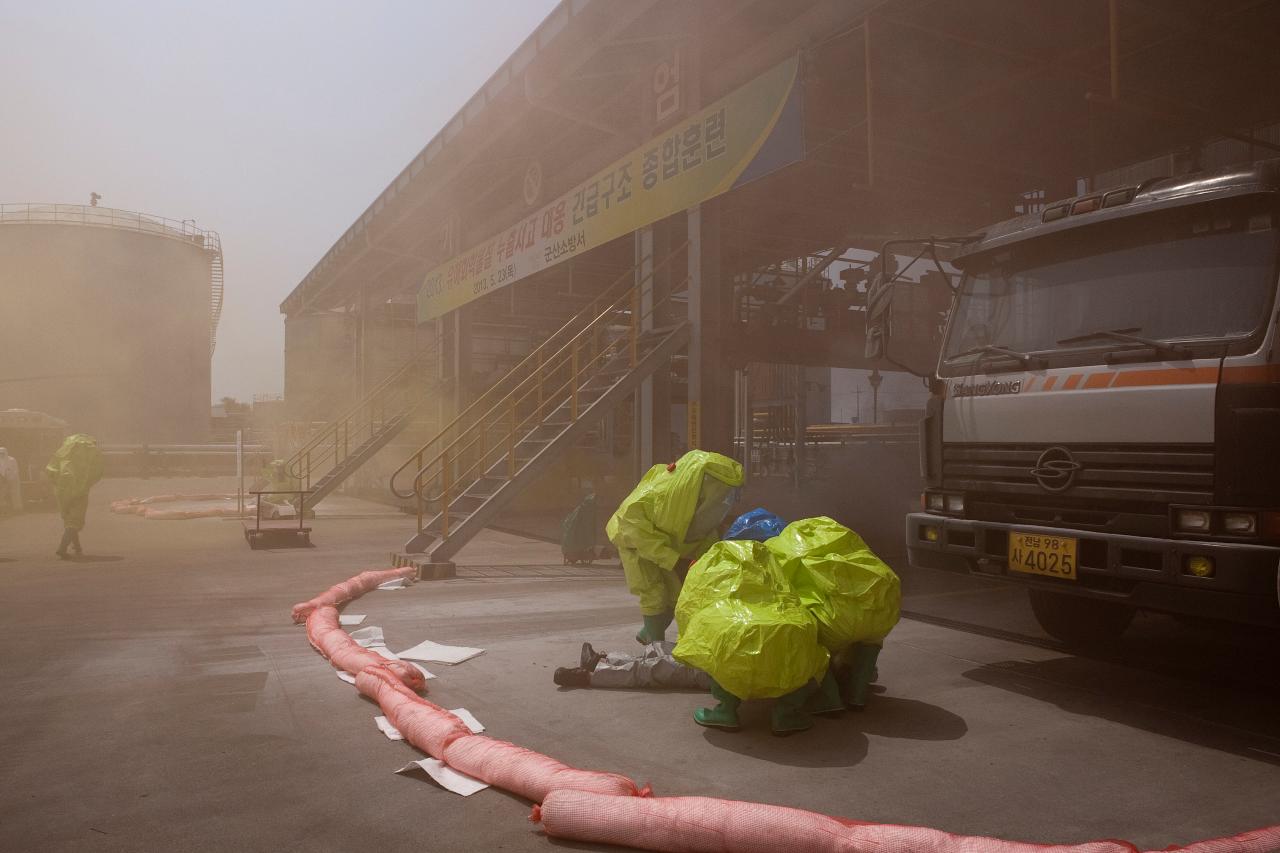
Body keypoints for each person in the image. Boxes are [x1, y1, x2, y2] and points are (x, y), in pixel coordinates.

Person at [605, 449, 744, 645]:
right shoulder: (660, 495)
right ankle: (655, 647)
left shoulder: (698, 503)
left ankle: (649, 633)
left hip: (665, 545)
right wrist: (674, 560)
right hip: (633, 541)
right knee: (653, 594)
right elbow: (634, 529)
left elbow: (704, 533)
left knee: (677, 596)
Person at [552, 641, 711, 690]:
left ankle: (587, 675)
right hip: (711, 654)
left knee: (656, 668)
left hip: (715, 670)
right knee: (659, 649)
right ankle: (604, 660)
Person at [45, 434, 104, 558]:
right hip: (80, 491)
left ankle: (77, 547)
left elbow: (50, 471)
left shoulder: (61, 453)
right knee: (75, 520)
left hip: (61, 490)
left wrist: (58, 484)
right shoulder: (91, 453)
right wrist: (86, 483)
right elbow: (97, 472)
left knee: (68, 519)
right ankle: (62, 547)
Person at [0, 447, 21, 514]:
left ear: (6, 452)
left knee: (15, 494)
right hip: (4, 480)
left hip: (14, 480)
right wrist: (3, 478)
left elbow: (16, 470)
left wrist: (11, 478)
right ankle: (3, 508)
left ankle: (17, 508)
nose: (1, 454)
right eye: (0, 453)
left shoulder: (12, 460)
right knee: (2, 494)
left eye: (3, 453)